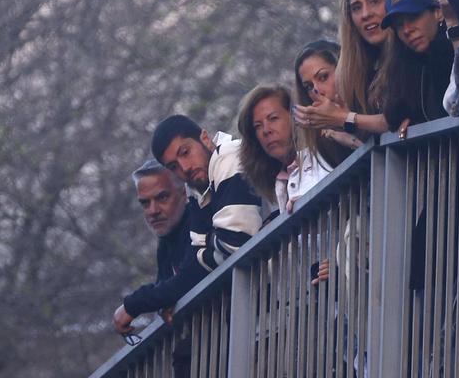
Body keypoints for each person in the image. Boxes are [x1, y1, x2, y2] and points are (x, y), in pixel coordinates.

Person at [110, 115, 268, 337]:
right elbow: (194, 264)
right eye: (173, 166)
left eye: (185, 152)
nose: (184, 167)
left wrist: (137, 303)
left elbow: (235, 245)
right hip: (265, 312)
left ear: (204, 138)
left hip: (292, 290)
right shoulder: (199, 192)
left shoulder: (230, 157)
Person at [296, 0, 396, 140]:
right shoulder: (365, 71)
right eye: (356, 8)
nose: (365, 14)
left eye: (374, 1)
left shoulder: (412, 55)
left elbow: (395, 121)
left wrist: (343, 118)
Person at [112, 159, 191, 337]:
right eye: (145, 203)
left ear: (184, 193)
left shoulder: (197, 223)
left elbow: (189, 279)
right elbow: (166, 287)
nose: (153, 210)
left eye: (162, 198)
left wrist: (133, 304)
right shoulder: (167, 238)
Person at [237, 83, 333, 215]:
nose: (266, 130)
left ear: (295, 116)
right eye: (258, 126)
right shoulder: (274, 186)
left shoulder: (326, 153)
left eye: (273, 118)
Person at [373, 0, 453, 136]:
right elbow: (395, 115)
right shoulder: (406, 66)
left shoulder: (458, 48)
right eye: (399, 25)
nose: (407, 30)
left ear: (438, 13)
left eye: (414, 17)